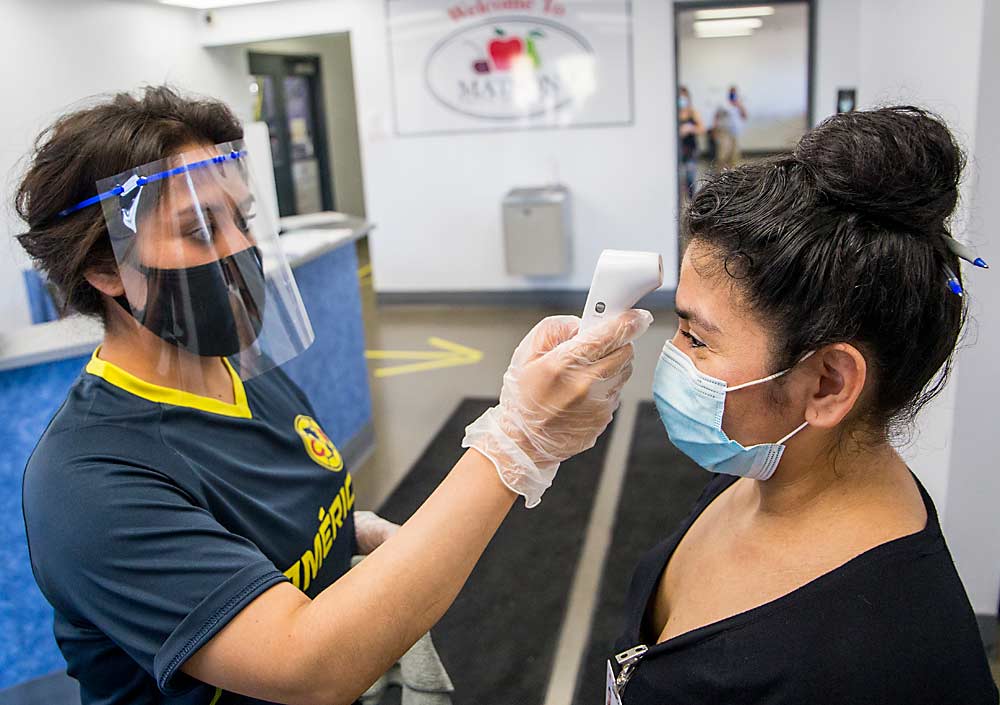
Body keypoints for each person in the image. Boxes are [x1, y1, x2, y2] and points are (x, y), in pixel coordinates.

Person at [17, 86, 653, 705]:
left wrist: (348, 534)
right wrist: (517, 438)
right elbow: (307, 668)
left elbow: (270, 520)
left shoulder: (240, 374)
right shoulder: (91, 479)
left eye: (241, 219)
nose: (239, 248)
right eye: (199, 229)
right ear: (104, 270)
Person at [609, 106, 998, 704]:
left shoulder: (876, 667)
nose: (673, 356)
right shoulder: (767, 463)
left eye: (696, 337)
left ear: (827, 384)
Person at [677, 86, 704, 199]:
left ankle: (691, 201)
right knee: (678, 176)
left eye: (684, 97)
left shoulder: (693, 113)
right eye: (679, 97)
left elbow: (702, 129)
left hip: (691, 149)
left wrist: (690, 128)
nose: (682, 100)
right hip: (677, 149)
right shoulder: (672, 113)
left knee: (690, 177)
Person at [712, 85, 746, 170]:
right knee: (723, 154)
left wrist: (739, 106)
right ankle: (720, 173)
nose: (733, 95)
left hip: (735, 132)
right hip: (724, 132)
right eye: (731, 93)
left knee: (735, 155)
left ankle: (733, 174)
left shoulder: (739, 105)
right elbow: (716, 117)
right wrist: (714, 130)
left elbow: (744, 116)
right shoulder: (723, 104)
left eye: (734, 93)